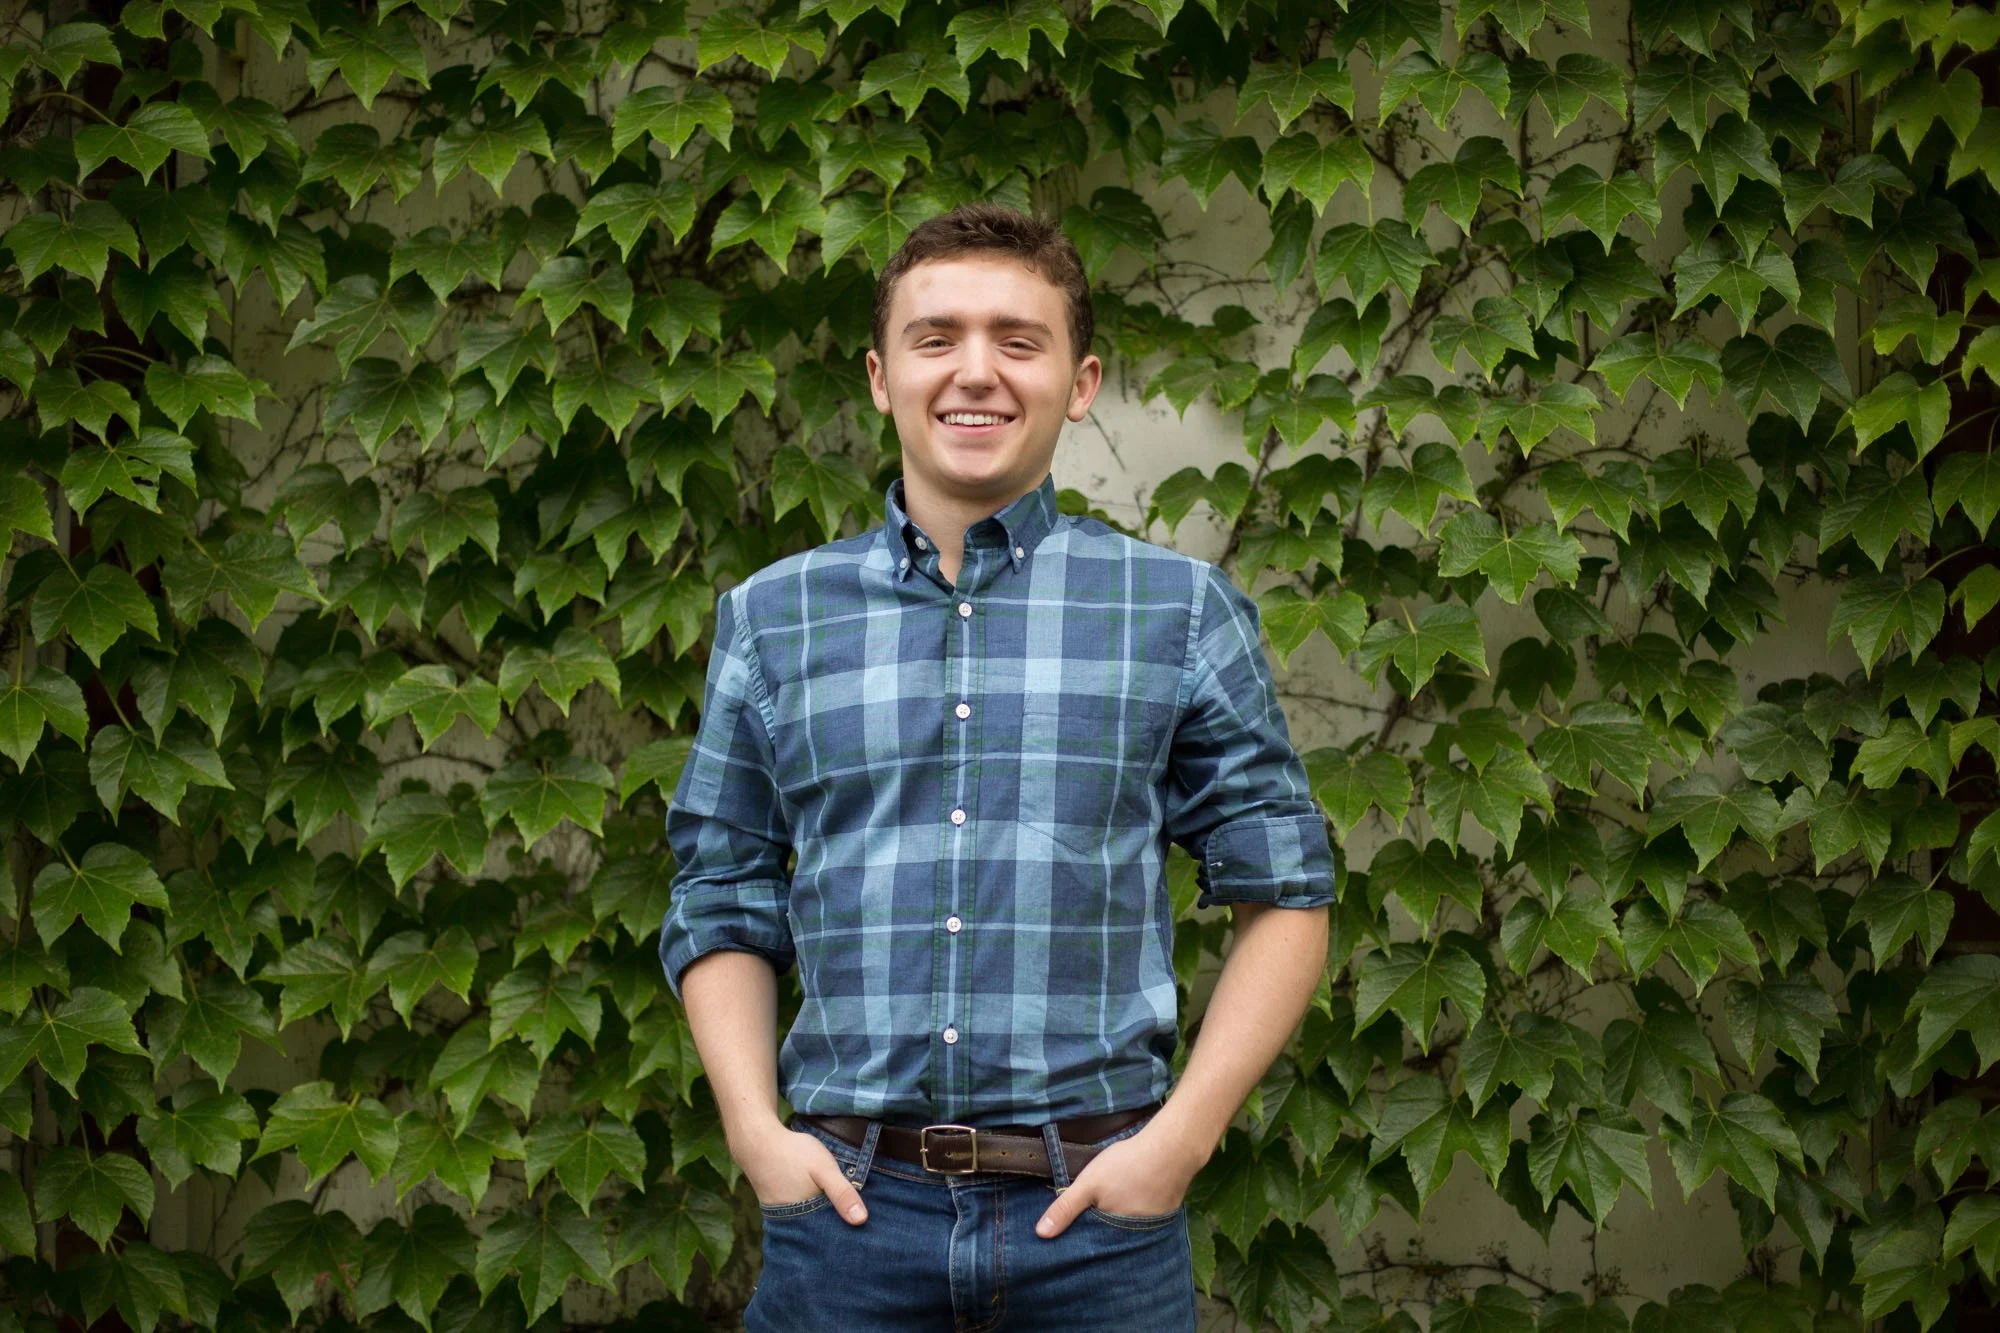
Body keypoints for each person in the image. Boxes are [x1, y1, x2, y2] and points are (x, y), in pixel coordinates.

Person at [659, 203, 1336, 1331]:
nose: (975, 372)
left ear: (1079, 381)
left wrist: (1176, 1145)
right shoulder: (772, 618)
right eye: (936, 338)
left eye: (1018, 340)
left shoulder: (1176, 613)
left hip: (1095, 1232)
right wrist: (751, 1132)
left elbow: (1285, 892)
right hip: (846, 1226)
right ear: (881, 377)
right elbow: (719, 891)